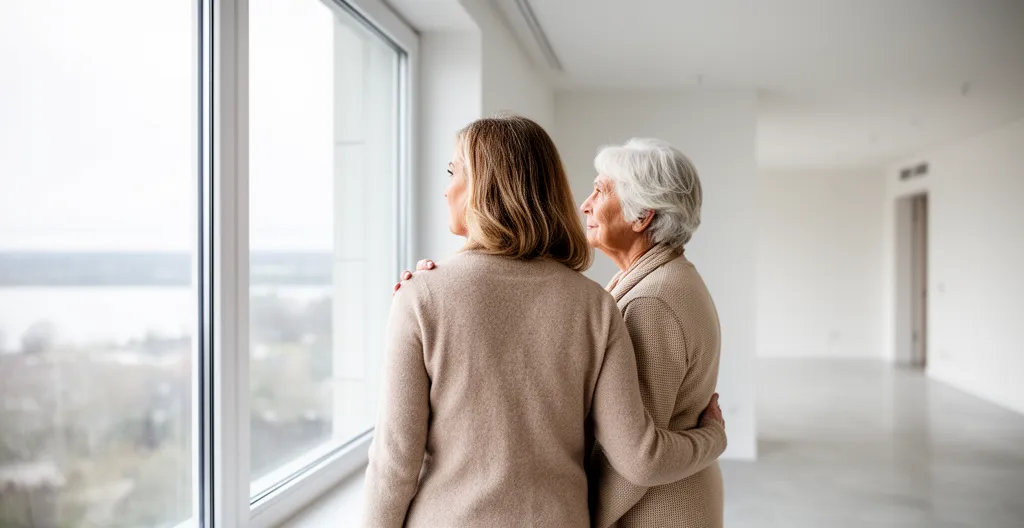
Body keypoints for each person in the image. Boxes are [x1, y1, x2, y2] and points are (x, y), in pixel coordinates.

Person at [364, 116, 726, 528]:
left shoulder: (418, 297)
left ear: (483, 185)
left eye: (452, 171)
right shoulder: (597, 304)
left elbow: (394, 463)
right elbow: (630, 447)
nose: (446, 188)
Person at [580, 138, 725, 528]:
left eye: (601, 190)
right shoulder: (665, 277)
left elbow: (637, 459)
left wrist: (582, 519)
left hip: (655, 512)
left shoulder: (652, 303)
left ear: (642, 215)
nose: (586, 204)